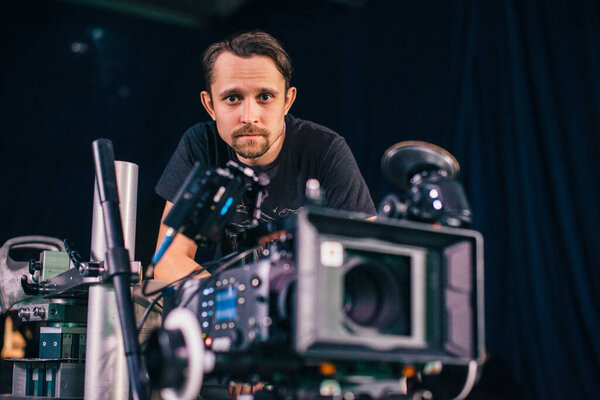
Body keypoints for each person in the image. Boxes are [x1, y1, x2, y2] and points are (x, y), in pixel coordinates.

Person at [154, 30, 375, 283]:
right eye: (233, 98)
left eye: (265, 97)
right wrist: (235, 306)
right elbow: (168, 260)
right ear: (210, 106)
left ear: (287, 101)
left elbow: (368, 259)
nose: (249, 116)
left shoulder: (325, 150)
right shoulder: (201, 146)